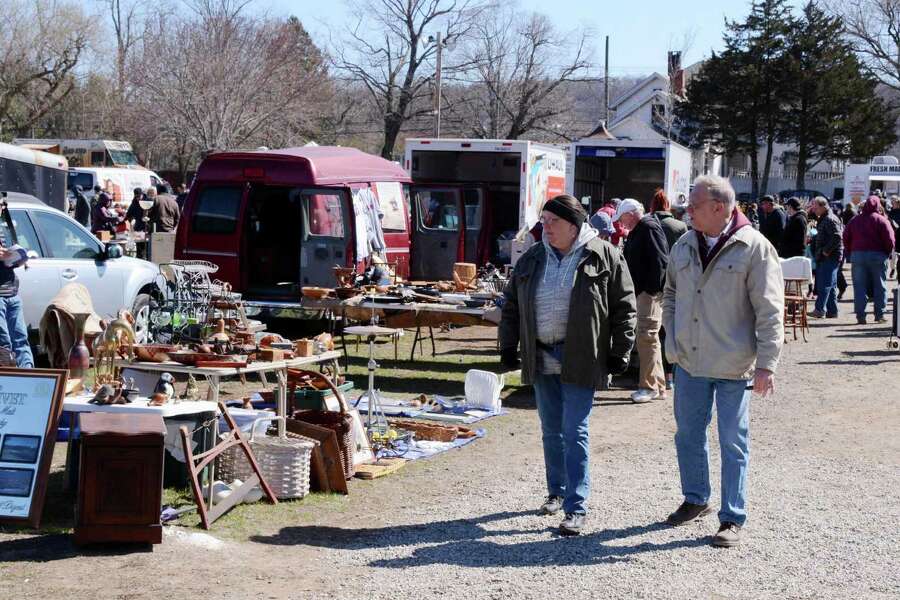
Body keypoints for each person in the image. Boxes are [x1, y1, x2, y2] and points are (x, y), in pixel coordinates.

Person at [499, 194, 636, 536]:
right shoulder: (532, 258)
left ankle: (576, 507)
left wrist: (621, 351)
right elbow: (512, 305)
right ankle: (556, 492)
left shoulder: (605, 255)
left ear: (574, 226)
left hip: (582, 357)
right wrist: (508, 345)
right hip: (541, 355)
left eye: (552, 222)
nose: (544, 228)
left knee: (575, 431)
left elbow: (624, 307)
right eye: (543, 221)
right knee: (551, 430)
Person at [662, 174, 783, 548]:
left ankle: (731, 517)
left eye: (694, 206)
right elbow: (670, 294)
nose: (687, 211)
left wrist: (767, 363)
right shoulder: (684, 243)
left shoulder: (754, 248)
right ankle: (696, 498)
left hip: (734, 365)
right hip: (690, 362)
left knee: (733, 441)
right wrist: (673, 339)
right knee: (688, 435)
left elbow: (770, 310)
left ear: (719, 208)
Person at [614, 198, 669, 403]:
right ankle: (659, 386)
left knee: (646, 337)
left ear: (631, 214)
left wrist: (650, 291)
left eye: (622, 218)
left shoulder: (648, 227)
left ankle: (648, 386)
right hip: (645, 292)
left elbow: (660, 261)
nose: (621, 223)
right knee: (649, 338)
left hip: (648, 293)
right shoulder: (644, 228)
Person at [843, 195, 896, 324]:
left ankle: (860, 316)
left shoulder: (855, 220)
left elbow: (845, 236)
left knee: (859, 287)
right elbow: (890, 240)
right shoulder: (882, 220)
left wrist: (851, 251)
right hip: (877, 255)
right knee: (879, 285)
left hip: (858, 255)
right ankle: (879, 314)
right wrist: (887, 253)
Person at [0, 218, 34, 368]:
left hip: (12, 292)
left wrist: (20, 260)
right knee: (3, 342)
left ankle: (28, 377)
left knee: (21, 339)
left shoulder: (5, 228)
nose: (2, 208)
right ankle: (6, 382)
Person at [809, 197, 843, 318]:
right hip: (829, 256)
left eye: (816, 207)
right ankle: (832, 311)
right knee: (831, 285)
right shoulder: (826, 218)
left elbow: (837, 237)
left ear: (823, 206)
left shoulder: (829, 219)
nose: (814, 210)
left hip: (830, 257)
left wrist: (825, 251)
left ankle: (819, 309)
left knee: (825, 284)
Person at [887, 196, 900, 280]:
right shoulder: (891, 211)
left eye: (894, 202)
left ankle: (898, 273)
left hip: (899, 234)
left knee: (898, 256)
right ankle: (893, 268)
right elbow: (888, 221)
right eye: (893, 202)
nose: (893, 203)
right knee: (893, 256)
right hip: (893, 235)